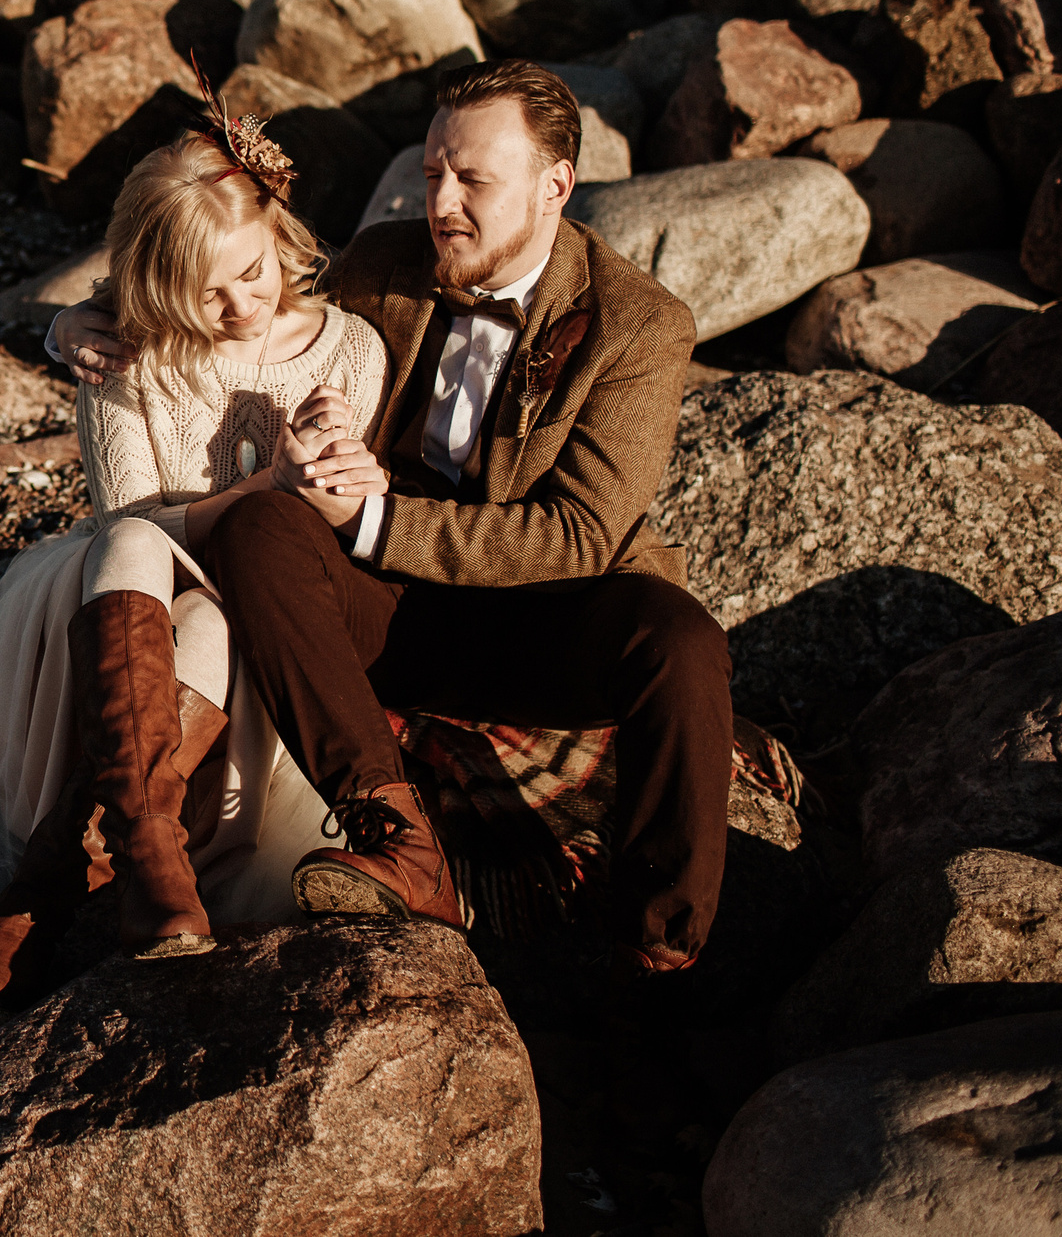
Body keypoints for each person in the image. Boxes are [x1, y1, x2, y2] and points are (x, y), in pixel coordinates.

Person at [47, 59, 733, 973]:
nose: (442, 202)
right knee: (259, 527)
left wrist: (370, 520)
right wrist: (71, 324)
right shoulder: (383, 262)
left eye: (474, 180)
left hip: (537, 615)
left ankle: (662, 944)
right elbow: (221, 268)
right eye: (432, 172)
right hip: (378, 612)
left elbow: (580, 535)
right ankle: (398, 837)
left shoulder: (640, 327)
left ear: (555, 184)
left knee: (680, 636)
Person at [0, 110, 392, 1017]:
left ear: (280, 234)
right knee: (142, 546)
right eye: (206, 292)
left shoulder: (351, 349)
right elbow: (126, 518)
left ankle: (55, 870)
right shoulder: (127, 352)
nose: (239, 306)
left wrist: (333, 476)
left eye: (253, 271)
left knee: (219, 618)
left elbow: (331, 528)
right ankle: (146, 847)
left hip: (269, 599)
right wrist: (267, 479)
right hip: (129, 579)